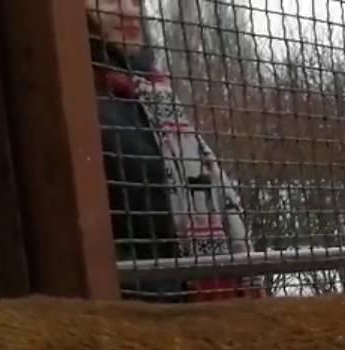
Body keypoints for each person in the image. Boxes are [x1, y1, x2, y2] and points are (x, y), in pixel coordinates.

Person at [88, 0, 260, 302]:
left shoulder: (155, 94)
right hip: (136, 314)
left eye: (134, 0)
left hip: (187, 310)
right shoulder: (86, 103)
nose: (130, 11)